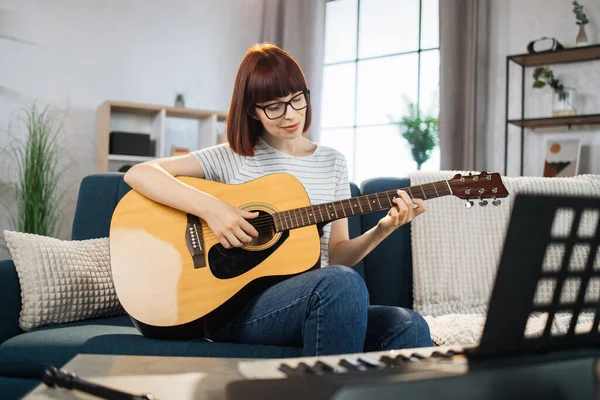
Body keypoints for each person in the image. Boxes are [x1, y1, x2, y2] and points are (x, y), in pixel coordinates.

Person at [124, 43, 433, 356]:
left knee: (409, 324)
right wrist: (213, 209)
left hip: (313, 299)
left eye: (297, 99)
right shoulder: (232, 157)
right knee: (343, 284)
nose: (291, 114)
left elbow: (336, 256)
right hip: (235, 308)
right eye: (274, 106)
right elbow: (140, 173)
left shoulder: (333, 162)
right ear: (251, 110)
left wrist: (384, 228)